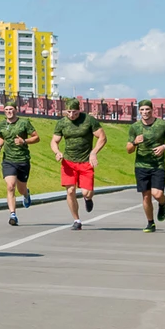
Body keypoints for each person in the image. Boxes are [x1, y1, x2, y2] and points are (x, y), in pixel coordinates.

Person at [51, 98, 106, 230]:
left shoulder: (89, 120)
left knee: (87, 193)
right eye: (69, 112)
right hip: (68, 162)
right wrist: (57, 152)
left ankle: (88, 199)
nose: (71, 115)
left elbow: (102, 137)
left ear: (79, 110)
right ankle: (76, 220)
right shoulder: (62, 123)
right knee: (70, 191)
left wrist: (94, 153)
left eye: (74, 112)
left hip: (86, 161)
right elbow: (54, 141)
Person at [125, 100, 165, 232]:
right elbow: (129, 149)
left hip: (158, 165)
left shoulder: (162, 125)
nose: (145, 112)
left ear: (152, 110)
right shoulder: (135, 127)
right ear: (139, 111)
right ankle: (150, 223)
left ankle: (162, 203)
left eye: (147, 109)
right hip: (141, 165)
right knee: (146, 195)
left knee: (157, 194)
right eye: (142, 110)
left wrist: (164, 147)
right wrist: (135, 142)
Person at [0, 100, 39, 225]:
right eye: (6, 110)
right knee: (10, 186)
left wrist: (24, 141)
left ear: (16, 110)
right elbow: (1, 136)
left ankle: (26, 194)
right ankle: (13, 215)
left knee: (21, 189)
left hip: (22, 160)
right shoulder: (2, 124)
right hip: (8, 160)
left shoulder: (24, 123)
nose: (9, 112)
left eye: (11, 109)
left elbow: (36, 137)